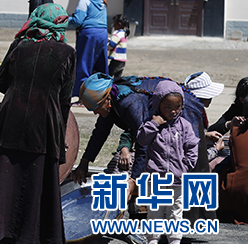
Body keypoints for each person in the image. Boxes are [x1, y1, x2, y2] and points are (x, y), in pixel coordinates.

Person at [0, 3, 74, 244]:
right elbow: (64, 99)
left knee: (7, 181)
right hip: (45, 125)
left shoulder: (19, 45)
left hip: (10, 122)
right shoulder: (67, 53)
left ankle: (5, 242)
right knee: (43, 183)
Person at [70, 74, 205, 186]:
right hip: (165, 129)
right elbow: (99, 133)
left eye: (96, 108)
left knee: (189, 178)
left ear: (107, 99)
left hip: (183, 117)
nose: (95, 113)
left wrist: (134, 180)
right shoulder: (111, 102)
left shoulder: (129, 103)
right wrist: (84, 163)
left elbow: (143, 142)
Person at [136, 80, 199, 244]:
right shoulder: (151, 123)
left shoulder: (184, 125)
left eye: (177, 107)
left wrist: (186, 166)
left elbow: (192, 146)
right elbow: (141, 139)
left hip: (178, 180)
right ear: (157, 105)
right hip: (155, 179)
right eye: (167, 107)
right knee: (154, 212)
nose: (173, 111)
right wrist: (154, 124)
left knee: (175, 213)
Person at [68, 0, 108, 99]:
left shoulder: (85, 0)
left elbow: (78, 21)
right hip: (103, 34)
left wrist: (65, 20)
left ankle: (80, 95)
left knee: (83, 65)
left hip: (89, 35)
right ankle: (103, 94)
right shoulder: (101, 1)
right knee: (101, 65)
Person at [107, 13, 130, 80]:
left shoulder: (116, 33)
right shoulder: (124, 33)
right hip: (122, 60)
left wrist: (105, 47)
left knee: (108, 74)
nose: (113, 25)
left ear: (119, 24)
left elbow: (112, 45)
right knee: (118, 78)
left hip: (116, 59)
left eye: (114, 23)